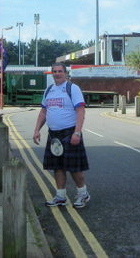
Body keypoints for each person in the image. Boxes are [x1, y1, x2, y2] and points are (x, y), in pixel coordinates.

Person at [32, 63, 90, 209]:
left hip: (70, 132)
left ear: (65, 73)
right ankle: (60, 196)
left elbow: (81, 111)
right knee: (57, 167)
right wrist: (37, 130)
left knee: (74, 167)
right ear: (51, 73)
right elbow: (43, 112)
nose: (57, 74)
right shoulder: (49, 90)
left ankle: (83, 194)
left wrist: (77, 132)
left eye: (60, 71)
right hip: (54, 134)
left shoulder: (73, 88)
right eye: (55, 71)